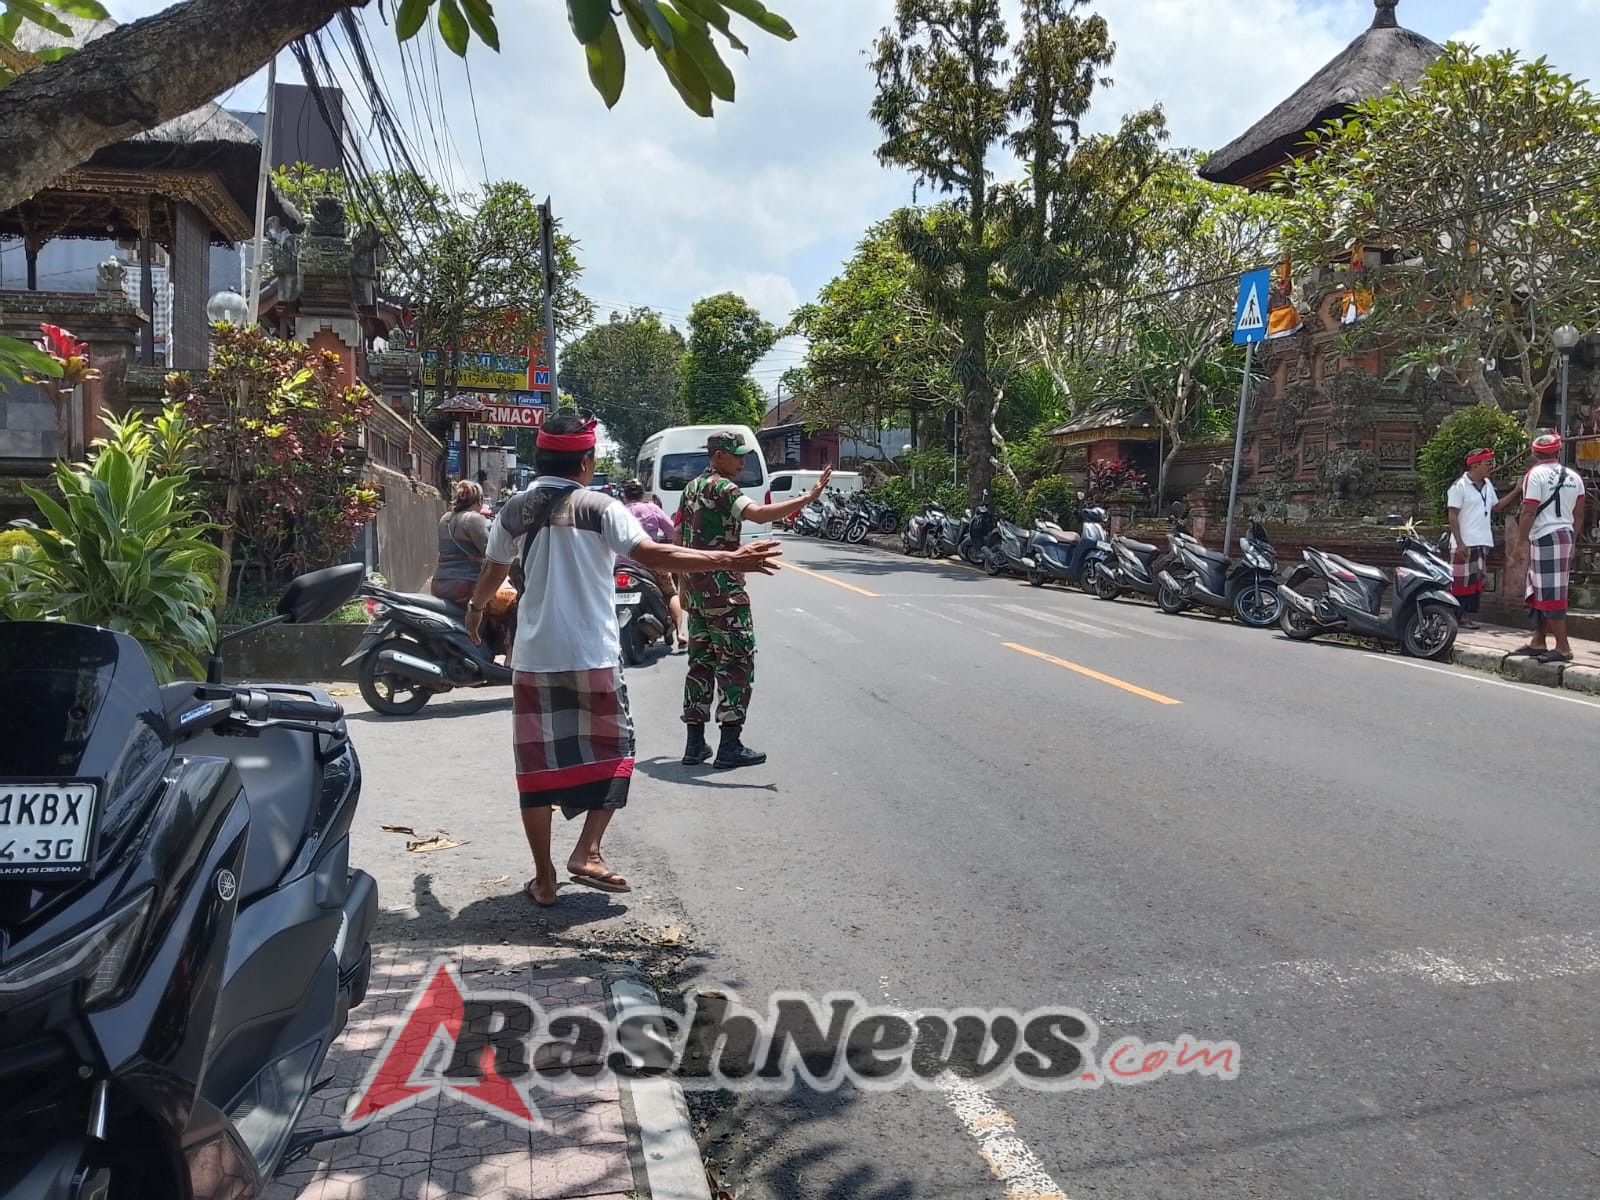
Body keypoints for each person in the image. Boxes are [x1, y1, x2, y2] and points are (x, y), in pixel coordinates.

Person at [462, 415, 783, 908]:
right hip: (591, 652)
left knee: (536, 768)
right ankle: (587, 850)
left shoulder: (515, 509)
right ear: (586, 461)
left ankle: (544, 879)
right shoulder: (599, 506)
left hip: (535, 655)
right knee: (616, 750)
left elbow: (493, 569)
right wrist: (729, 560)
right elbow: (653, 553)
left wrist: (476, 610)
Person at [676, 432, 832, 769]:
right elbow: (759, 515)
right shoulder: (723, 488)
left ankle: (694, 745)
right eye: (736, 455)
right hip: (724, 592)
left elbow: (678, 538)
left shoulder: (690, 489)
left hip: (696, 592)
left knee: (700, 665)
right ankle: (729, 746)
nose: (742, 462)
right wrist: (809, 497)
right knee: (736, 663)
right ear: (717, 456)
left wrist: (682, 587)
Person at [1509, 431, 1586, 664]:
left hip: (1546, 535)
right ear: (1558, 451)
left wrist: (1519, 542)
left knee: (1550, 592)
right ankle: (1538, 640)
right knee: (1540, 588)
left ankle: (1562, 647)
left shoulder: (1535, 475)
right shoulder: (1575, 477)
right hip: (1564, 534)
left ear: (1534, 453)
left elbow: (1529, 510)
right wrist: (1571, 538)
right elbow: (1579, 514)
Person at [432, 481, 512, 657]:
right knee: (510, 603)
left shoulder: (444, 519)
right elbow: (492, 553)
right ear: (480, 500)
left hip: (440, 583)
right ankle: (505, 653)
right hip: (466, 584)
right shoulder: (474, 519)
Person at [620, 478, 687, 649]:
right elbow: (673, 532)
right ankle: (680, 632)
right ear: (642, 494)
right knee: (671, 592)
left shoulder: (617, 512)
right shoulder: (651, 508)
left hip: (619, 565)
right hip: (650, 562)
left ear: (624, 496)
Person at [1446, 448, 1505, 629]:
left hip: (1482, 540)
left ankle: (1465, 616)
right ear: (1475, 465)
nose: (1491, 467)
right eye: (1488, 464)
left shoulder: (1487, 485)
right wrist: (1461, 542)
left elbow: (1496, 506)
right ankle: (1456, 616)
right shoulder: (1459, 486)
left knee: (1475, 581)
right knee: (1460, 582)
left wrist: (1517, 491)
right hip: (1465, 541)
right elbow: (1453, 515)